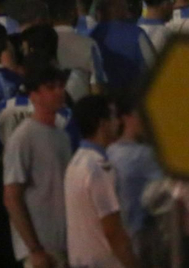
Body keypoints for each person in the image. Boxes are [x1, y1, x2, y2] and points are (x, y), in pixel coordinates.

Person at [2, 64, 73, 268]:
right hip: (42, 247)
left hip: (63, 243)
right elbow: (11, 196)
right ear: (34, 94)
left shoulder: (61, 135)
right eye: (51, 87)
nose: (59, 92)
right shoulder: (24, 137)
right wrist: (34, 249)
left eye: (61, 86)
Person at [64, 93, 139, 268]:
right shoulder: (99, 168)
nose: (118, 122)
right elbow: (112, 230)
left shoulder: (75, 164)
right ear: (102, 124)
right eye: (113, 117)